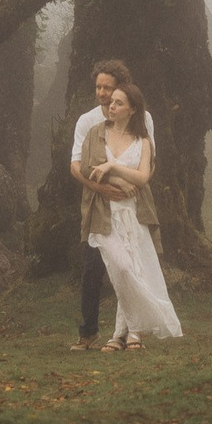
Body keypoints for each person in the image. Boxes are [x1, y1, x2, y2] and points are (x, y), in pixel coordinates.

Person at [77, 82, 181, 349]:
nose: (111, 106)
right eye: (111, 102)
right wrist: (111, 181)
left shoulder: (143, 141)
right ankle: (140, 324)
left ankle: (124, 334)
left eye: (118, 103)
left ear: (132, 110)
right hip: (104, 215)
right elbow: (87, 168)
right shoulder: (95, 134)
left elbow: (143, 176)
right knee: (121, 268)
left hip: (133, 214)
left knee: (132, 269)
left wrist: (113, 166)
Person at [71, 61, 155, 349]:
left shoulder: (142, 119)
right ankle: (88, 331)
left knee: (128, 264)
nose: (103, 93)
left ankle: (130, 332)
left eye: (109, 87)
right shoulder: (88, 122)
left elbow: (147, 159)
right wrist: (102, 188)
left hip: (132, 204)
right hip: (99, 205)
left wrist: (135, 185)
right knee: (93, 267)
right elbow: (75, 166)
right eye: (99, 87)